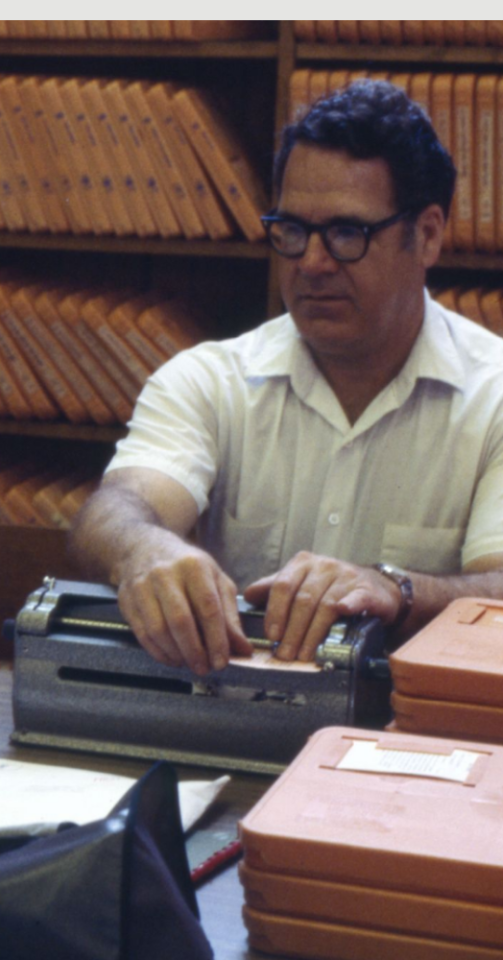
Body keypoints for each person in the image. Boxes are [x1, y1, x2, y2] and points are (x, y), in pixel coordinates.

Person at [70, 79, 503, 677]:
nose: (311, 263)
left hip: (412, 730)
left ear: (426, 234)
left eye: (347, 233)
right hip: (228, 721)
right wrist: (144, 547)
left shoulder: (496, 396)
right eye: (293, 230)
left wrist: (397, 591)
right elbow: (117, 509)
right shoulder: (208, 379)